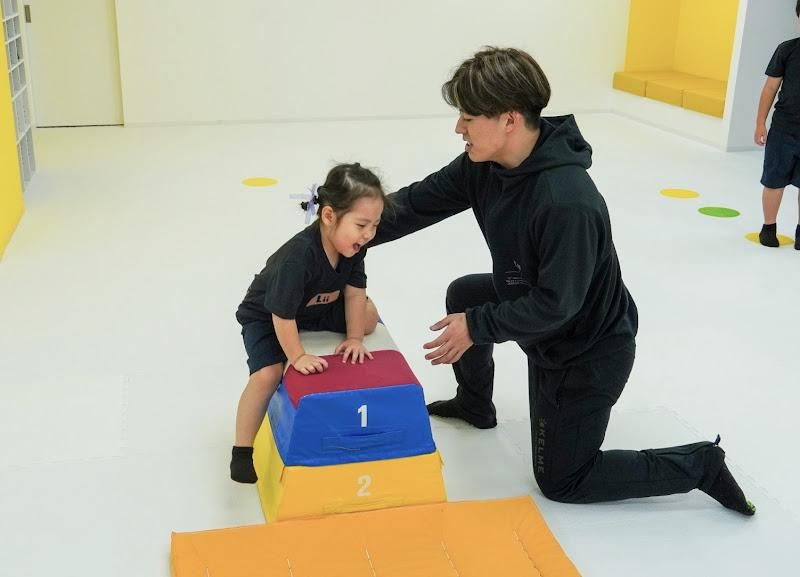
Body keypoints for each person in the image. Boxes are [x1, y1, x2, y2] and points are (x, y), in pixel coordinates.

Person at [370, 47, 755, 515]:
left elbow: (557, 305)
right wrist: (343, 231)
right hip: (539, 307)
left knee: (563, 479)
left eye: (468, 118)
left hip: (585, 347)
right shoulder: (483, 166)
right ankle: (475, 404)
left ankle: (700, 465)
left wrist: (477, 326)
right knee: (466, 294)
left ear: (509, 120)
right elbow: (415, 203)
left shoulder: (565, 201)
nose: (459, 128)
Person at [231, 163, 384, 483]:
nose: (368, 234)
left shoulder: (355, 248)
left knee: (368, 316)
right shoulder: (298, 257)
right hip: (268, 314)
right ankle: (241, 451)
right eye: (361, 225)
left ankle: (347, 327)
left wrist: (355, 338)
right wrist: (297, 356)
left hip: (315, 306)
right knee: (268, 373)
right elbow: (281, 315)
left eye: (374, 225)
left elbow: (355, 293)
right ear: (329, 216)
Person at [755, 0, 800, 250]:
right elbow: (770, 88)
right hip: (784, 129)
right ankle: (768, 227)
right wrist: (760, 123)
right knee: (774, 180)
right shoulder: (787, 50)